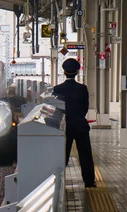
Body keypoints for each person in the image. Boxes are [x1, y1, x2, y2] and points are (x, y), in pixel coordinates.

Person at [52, 58, 96, 188]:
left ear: (64, 72)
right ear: (77, 72)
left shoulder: (57, 89)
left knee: (62, 154)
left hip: (63, 126)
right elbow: (85, 108)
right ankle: (89, 182)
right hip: (80, 125)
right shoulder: (82, 88)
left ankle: (58, 182)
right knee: (85, 154)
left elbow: (56, 109)